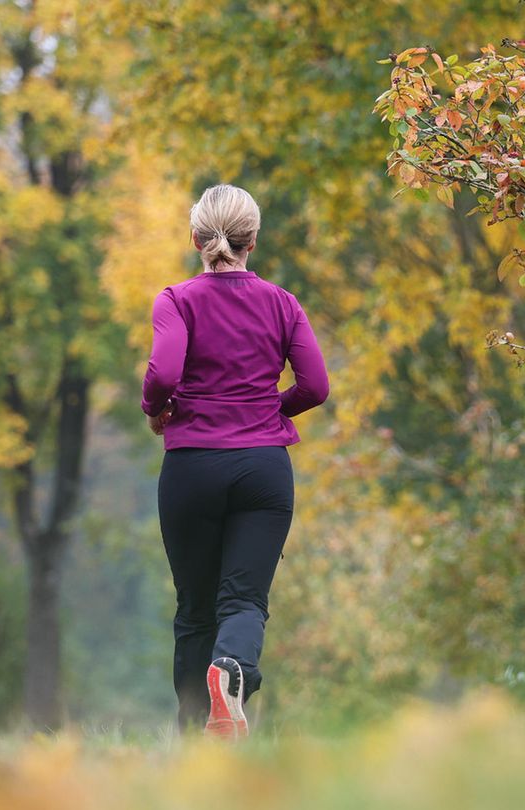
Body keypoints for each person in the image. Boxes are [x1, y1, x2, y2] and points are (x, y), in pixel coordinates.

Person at [141, 184, 330, 740]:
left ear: (196, 237)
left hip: (192, 468)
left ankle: (195, 740)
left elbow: (165, 374)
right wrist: (270, 407)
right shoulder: (282, 303)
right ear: (253, 240)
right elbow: (315, 385)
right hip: (262, 471)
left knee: (195, 610)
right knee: (243, 601)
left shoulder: (176, 300)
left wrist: (158, 410)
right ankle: (232, 670)